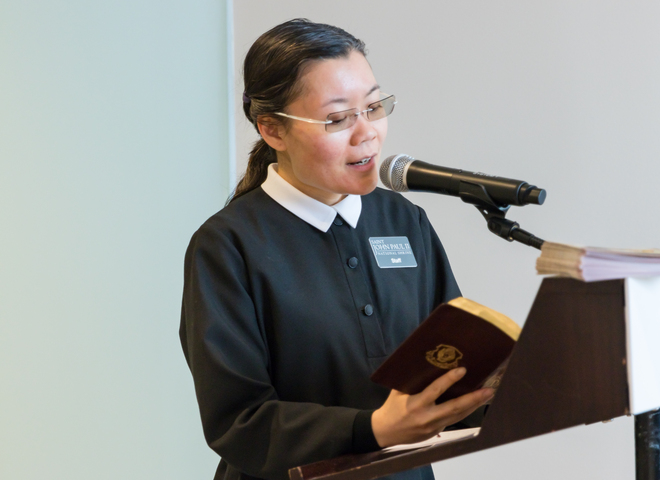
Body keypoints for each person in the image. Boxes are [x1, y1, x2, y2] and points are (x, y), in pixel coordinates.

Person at [180, 19, 491, 480]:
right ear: (272, 130)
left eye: (373, 107)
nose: (366, 133)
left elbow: (447, 363)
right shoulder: (227, 246)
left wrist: (514, 388)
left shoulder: (404, 221)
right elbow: (239, 421)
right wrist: (374, 428)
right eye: (338, 118)